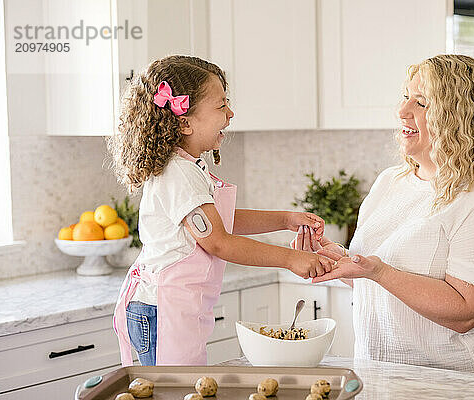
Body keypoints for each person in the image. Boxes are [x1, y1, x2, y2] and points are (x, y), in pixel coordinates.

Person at [293, 54, 474, 377]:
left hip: (462, 385)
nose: (401, 111)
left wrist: (379, 271)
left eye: (421, 103)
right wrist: (340, 262)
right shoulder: (391, 182)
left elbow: (466, 312)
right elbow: (379, 282)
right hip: (384, 378)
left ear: (457, 118)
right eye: (406, 97)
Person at [108, 55, 333, 366]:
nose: (230, 113)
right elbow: (218, 241)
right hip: (162, 309)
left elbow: (220, 222)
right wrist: (291, 259)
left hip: (171, 306)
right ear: (185, 121)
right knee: (174, 391)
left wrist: (285, 220)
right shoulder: (180, 173)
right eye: (221, 106)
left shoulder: (188, 166)